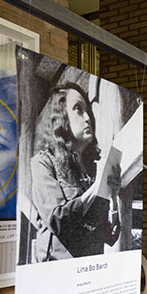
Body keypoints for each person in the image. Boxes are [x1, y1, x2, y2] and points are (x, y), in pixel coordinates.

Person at [30, 83, 121, 262]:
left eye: (88, 111)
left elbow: (109, 237)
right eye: (78, 109)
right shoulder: (43, 162)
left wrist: (114, 199)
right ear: (62, 117)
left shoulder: (93, 169)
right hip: (57, 273)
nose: (88, 118)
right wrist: (96, 190)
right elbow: (58, 220)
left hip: (89, 270)